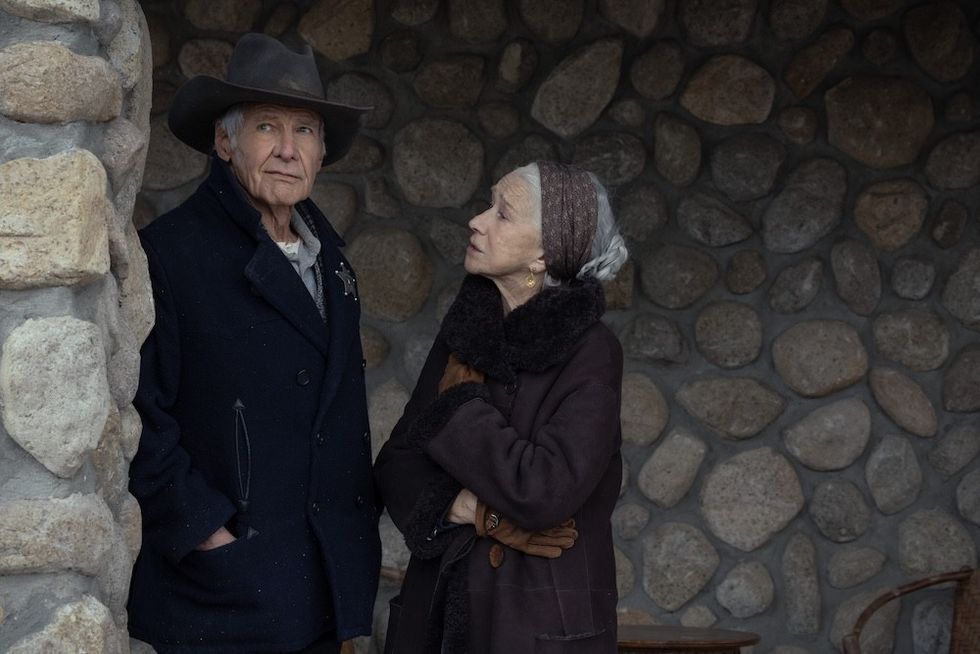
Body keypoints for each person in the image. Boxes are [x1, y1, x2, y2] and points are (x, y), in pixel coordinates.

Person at [127, 33, 380, 653]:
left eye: (306, 131)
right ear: (225, 141)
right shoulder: (172, 254)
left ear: (322, 152)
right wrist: (207, 531)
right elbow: (135, 415)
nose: (289, 150)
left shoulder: (334, 265)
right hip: (226, 594)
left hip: (320, 586)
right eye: (268, 127)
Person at [375, 161, 629, 653]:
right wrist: (474, 512)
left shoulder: (592, 351)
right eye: (489, 205)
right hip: (436, 615)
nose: (478, 220)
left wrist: (460, 406)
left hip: (534, 627)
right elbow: (395, 465)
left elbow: (544, 491)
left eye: (503, 214)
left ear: (543, 255)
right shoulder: (465, 334)